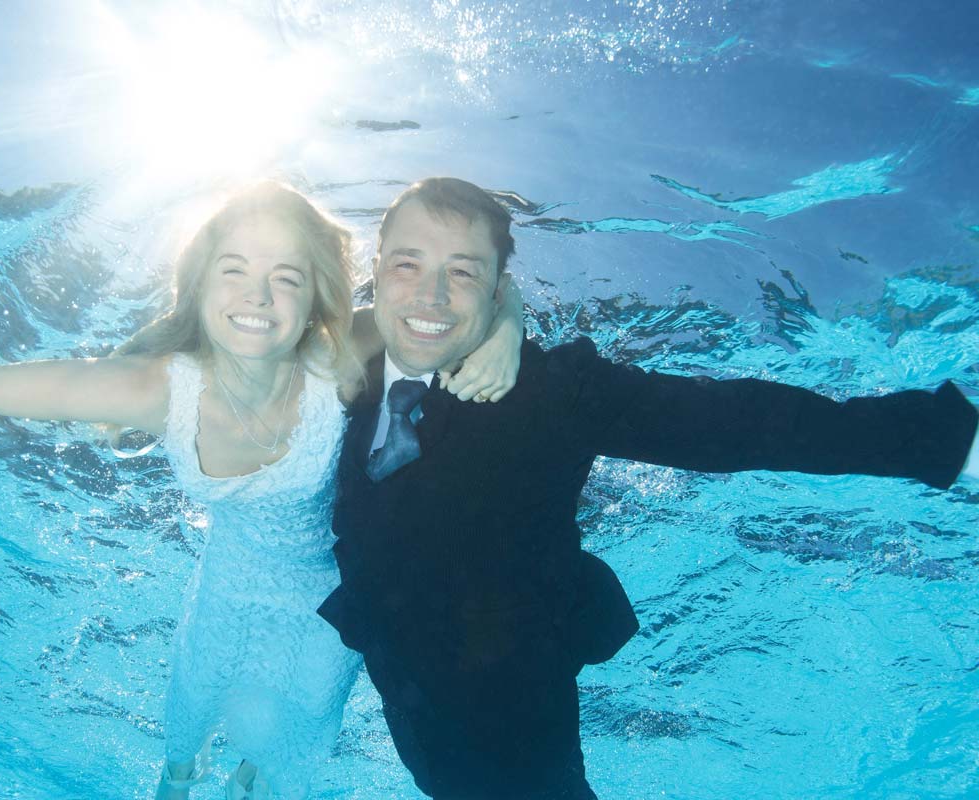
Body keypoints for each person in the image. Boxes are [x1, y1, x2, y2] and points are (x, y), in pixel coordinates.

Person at [0, 182, 524, 799]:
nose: (257, 298)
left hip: (329, 612)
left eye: (285, 278)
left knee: (275, 759)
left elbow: (458, 299)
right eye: (234, 270)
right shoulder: (155, 390)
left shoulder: (339, 357)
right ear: (199, 284)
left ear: (314, 295)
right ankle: (174, 782)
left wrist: (506, 334)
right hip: (227, 593)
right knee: (185, 728)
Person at [318, 177, 979, 799]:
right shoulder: (347, 352)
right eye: (407, 264)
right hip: (403, 683)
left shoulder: (555, 392)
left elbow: (741, 423)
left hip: (511, 717)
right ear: (376, 271)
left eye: (463, 271)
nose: (430, 295)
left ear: (496, 289)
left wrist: (950, 442)